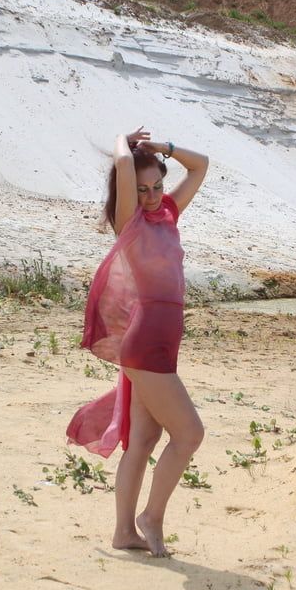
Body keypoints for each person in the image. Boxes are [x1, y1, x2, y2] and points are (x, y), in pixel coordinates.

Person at [66, 127, 209, 557]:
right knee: (189, 434)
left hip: (163, 344)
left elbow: (200, 165)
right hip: (145, 342)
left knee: (143, 441)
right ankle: (152, 518)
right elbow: (125, 165)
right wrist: (121, 143)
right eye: (142, 189)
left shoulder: (167, 213)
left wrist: (162, 148)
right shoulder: (129, 220)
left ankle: (123, 533)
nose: (150, 196)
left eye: (157, 186)